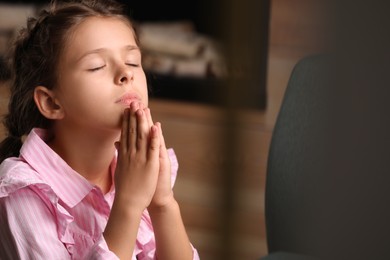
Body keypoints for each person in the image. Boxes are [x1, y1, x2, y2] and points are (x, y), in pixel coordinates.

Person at [0, 0, 200, 259]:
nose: (125, 74)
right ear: (51, 102)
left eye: (133, 61)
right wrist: (128, 204)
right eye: (96, 66)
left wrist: (162, 203)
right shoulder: (22, 194)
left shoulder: (132, 170)